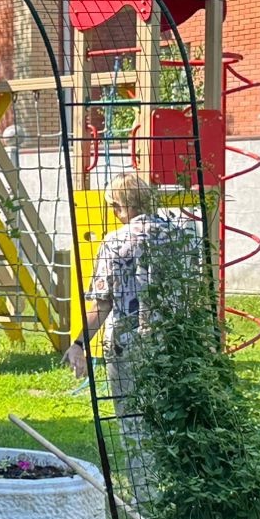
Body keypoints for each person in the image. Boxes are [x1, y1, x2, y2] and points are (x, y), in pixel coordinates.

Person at [65, 173, 192, 500]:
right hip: (174, 340)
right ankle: (180, 491)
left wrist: (79, 344)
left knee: (134, 420)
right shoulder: (181, 237)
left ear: (122, 205)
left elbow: (103, 303)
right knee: (171, 415)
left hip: (128, 344)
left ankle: (145, 496)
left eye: (113, 205)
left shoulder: (116, 242)